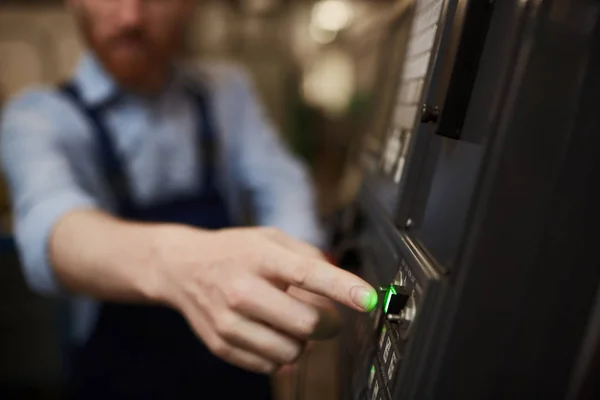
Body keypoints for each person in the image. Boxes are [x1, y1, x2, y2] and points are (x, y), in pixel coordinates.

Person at [0, 0, 378, 399]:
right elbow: (52, 226)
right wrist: (188, 266)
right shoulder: (37, 116)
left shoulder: (226, 90)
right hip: (118, 378)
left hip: (236, 371)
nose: (130, 17)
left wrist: (299, 266)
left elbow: (281, 181)